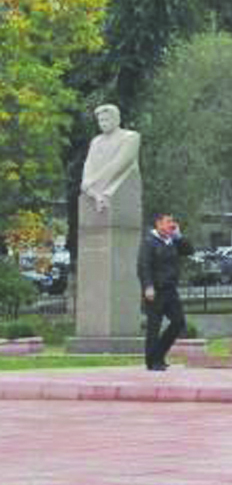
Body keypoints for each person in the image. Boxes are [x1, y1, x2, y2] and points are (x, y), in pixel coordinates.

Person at [136, 212, 195, 371]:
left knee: (178, 322)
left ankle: (159, 355)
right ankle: (152, 361)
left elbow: (189, 250)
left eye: (172, 221)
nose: (172, 224)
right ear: (159, 224)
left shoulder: (172, 241)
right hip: (155, 290)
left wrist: (179, 236)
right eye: (168, 221)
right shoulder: (149, 242)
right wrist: (148, 286)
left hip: (170, 289)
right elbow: (143, 265)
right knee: (154, 327)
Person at [80, 104, 142, 214]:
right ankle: (96, 196)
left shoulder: (130, 137)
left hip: (121, 185)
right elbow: (89, 164)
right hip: (95, 185)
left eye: (106, 120)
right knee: (86, 189)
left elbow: (120, 163)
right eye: (100, 120)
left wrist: (94, 181)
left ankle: (98, 195)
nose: (103, 123)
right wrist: (86, 180)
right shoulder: (96, 141)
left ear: (116, 120)